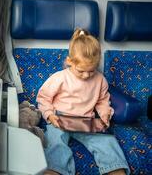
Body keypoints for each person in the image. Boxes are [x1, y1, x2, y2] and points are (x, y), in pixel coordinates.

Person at [36, 28, 130, 175]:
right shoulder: (59, 78)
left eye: (92, 70)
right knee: (55, 143)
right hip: (60, 119)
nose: (86, 75)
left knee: (106, 142)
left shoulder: (100, 80)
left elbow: (102, 101)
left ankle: (115, 167)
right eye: (81, 70)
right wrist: (49, 115)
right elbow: (44, 98)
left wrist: (105, 115)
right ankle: (54, 170)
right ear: (69, 61)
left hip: (86, 121)